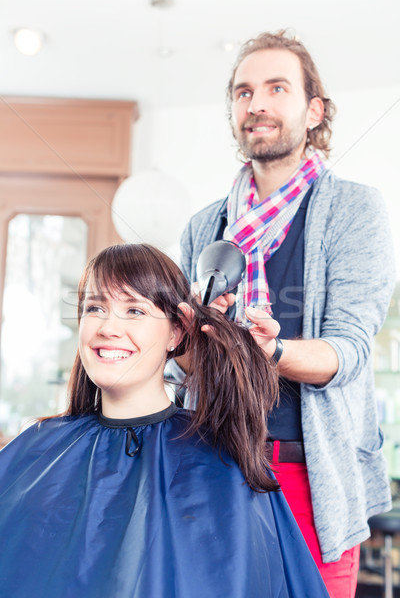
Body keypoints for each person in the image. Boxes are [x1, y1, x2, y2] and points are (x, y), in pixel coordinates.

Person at [170, 30, 396, 598]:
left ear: (313, 110)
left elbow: (348, 350)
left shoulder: (354, 209)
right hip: (212, 466)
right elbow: (182, 365)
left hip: (309, 476)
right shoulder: (205, 225)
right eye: (244, 92)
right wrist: (187, 346)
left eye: (277, 88)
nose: (258, 104)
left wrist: (269, 351)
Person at [0, 243, 329, 598]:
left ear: (176, 333)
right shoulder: (34, 451)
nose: (109, 327)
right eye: (95, 307)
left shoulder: (220, 462)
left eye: (135, 310)